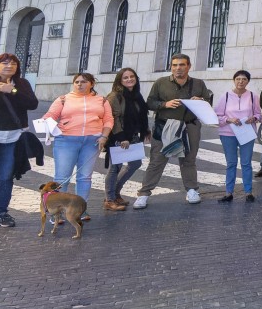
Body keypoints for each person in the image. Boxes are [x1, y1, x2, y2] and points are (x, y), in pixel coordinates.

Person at [134, 54, 213, 208]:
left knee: (189, 160)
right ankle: (143, 194)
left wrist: (202, 101)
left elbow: (208, 102)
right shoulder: (161, 82)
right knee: (157, 161)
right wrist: (165, 104)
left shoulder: (198, 83)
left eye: (182, 65)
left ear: (189, 66)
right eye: (175, 65)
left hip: (190, 126)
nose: (178, 68)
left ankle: (191, 190)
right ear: (171, 67)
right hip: (165, 126)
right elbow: (150, 102)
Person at [44, 73, 114, 221]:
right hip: (66, 140)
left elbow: (108, 120)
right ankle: (57, 213)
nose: (79, 84)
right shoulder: (63, 99)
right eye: (76, 82)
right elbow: (49, 115)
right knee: (62, 177)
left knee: (84, 177)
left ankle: (80, 210)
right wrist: (50, 124)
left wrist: (104, 136)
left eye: (84, 82)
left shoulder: (101, 101)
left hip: (92, 141)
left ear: (92, 84)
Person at [0, 54, 38, 230]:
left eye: (13, 63)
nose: (9, 65)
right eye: (4, 62)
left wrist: (11, 91)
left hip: (12, 139)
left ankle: (0, 214)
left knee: (5, 177)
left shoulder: (22, 84)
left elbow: (33, 104)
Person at [214, 70, 262, 203]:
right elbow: (217, 116)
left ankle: (248, 192)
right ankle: (228, 192)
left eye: (244, 79)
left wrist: (253, 118)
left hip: (247, 132)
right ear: (234, 80)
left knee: (246, 163)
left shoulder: (253, 96)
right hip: (228, 133)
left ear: (248, 81)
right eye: (238, 79)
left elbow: (259, 114)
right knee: (231, 163)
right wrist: (229, 119)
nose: (240, 82)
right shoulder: (225, 96)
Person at [103, 68, 148, 211]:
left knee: (135, 163)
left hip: (132, 136)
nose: (129, 79)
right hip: (118, 136)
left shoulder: (136, 95)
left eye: (132, 76)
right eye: (125, 78)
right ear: (119, 81)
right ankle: (109, 199)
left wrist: (145, 130)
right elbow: (113, 118)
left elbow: (141, 115)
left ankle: (115, 192)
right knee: (115, 167)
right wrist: (121, 137)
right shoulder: (115, 96)